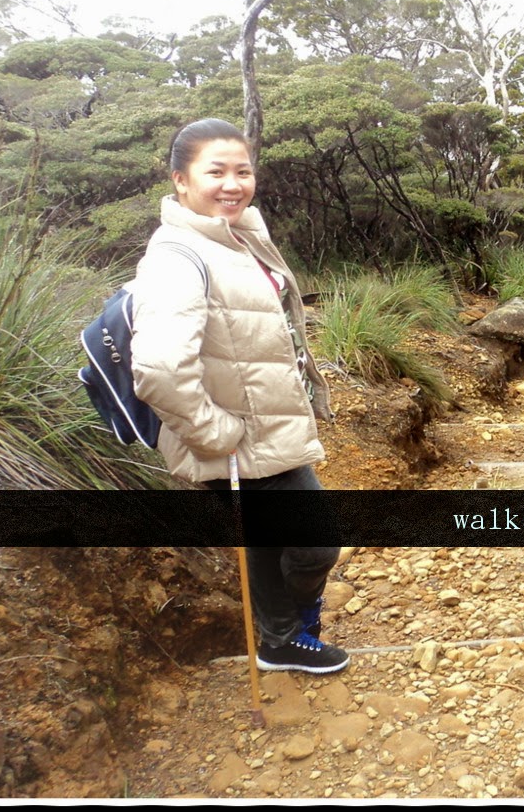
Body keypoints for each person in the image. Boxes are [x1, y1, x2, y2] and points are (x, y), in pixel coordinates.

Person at [131, 118, 347, 675]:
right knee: (316, 544)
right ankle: (290, 630)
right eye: (216, 172)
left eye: (243, 171)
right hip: (237, 433)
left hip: (265, 420)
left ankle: (280, 636)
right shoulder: (178, 255)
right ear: (181, 180)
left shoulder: (238, 237)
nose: (233, 184)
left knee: (268, 539)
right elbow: (157, 369)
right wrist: (216, 433)